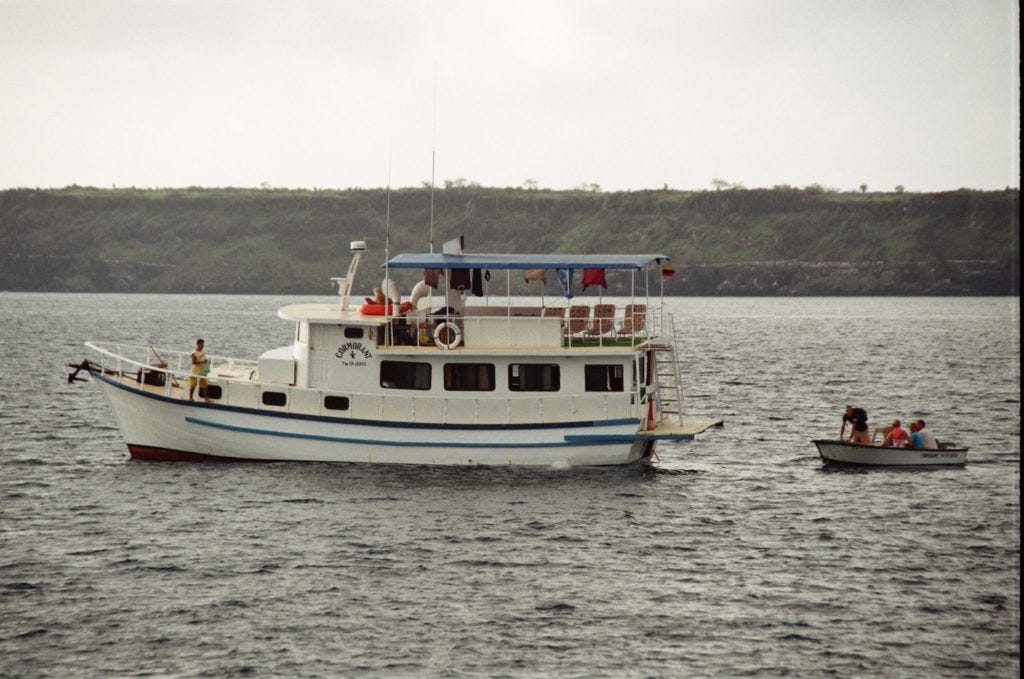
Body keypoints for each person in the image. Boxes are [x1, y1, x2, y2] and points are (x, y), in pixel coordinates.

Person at [188, 338, 211, 403]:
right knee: (193, 385)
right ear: (198, 344)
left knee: (204, 385)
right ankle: (190, 397)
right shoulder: (194, 353)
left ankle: (206, 399)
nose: (202, 345)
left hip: (201, 372)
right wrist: (203, 361)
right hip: (194, 371)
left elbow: (204, 359)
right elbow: (194, 362)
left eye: (203, 344)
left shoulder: (203, 352)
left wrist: (206, 362)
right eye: (201, 344)